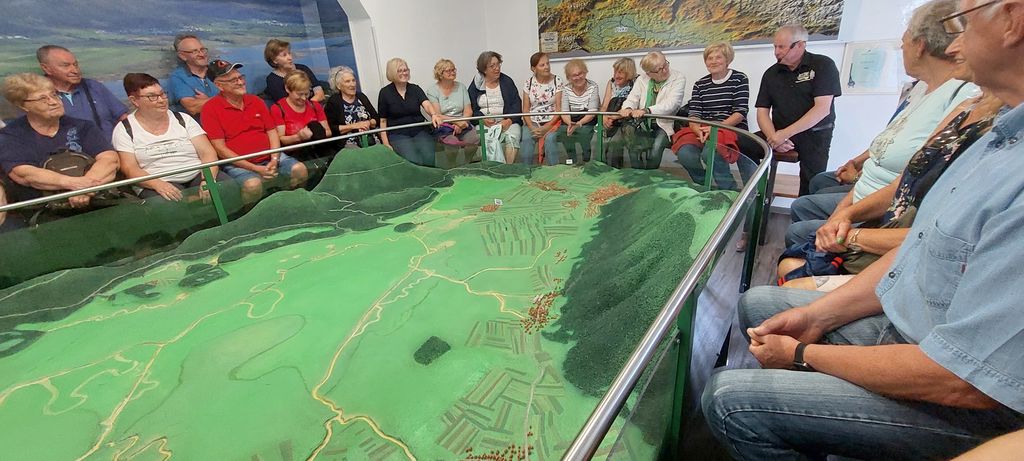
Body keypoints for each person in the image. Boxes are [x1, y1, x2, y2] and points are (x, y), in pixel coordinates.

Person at [701, 1, 1024, 457]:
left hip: (959, 393)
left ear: (1013, 19)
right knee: (758, 304)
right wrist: (817, 316)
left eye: (965, 22)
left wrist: (802, 354)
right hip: (909, 322)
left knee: (729, 401)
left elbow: (964, 379)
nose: (953, 46)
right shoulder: (996, 135)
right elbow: (914, 253)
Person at [785, 0, 976, 247]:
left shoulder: (962, 97)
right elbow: (890, 139)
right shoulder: (918, 88)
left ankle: (807, 257)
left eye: (904, 42)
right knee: (819, 183)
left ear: (920, 46)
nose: (900, 47)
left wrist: (849, 200)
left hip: (886, 205)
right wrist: (856, 163)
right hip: (868, 183)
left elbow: (910, 180)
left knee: (801, 215)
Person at [0, 73, 119, 220]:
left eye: (54, 95)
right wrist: (74, 185)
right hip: (45, 211)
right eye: (43, 99)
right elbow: (24, 174)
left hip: (97, 200)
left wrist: (85, 188)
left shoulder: (83, 126)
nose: (53, 102)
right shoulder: (11, 136)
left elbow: (109, 160)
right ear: (23, 105)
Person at [200, 60, 307, 204]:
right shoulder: (210, 109)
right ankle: (252, 215)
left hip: (271, 157)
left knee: (300, 169)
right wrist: (254, 168)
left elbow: (272, 132)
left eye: (240, 77)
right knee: (252, 185)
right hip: (238, 164)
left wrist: (274, 159)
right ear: (219, 85)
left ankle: (297, 204)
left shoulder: (255, 101)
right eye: (233, 80)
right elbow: (220, 148)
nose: (240, 82)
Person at [754, 24, 842, 195]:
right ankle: (753, 194)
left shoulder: (823, 65)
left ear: (800, 45)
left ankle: (803, 210)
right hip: (778, 132)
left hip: (814, 134)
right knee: (743, 143)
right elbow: (762, 111)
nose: (777, 52)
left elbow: (822, 109)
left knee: (812, 184)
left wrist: (784, 135)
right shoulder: (771, 73)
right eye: (775, 47)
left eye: (782, 47)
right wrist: (774, 137)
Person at [112, 73, 223, 202]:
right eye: (152, 97)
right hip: (157, 181)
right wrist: (158, 184)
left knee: (225, 188)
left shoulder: (183, 119)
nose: (161, 100)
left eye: (162, 94)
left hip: (197, 174)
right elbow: (130, 168)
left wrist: (207, 179)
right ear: (134, 100)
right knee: (168, 203)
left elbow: (207, 152)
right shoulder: (124, 129)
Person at [673, 42, 752, 190]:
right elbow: (694, 114)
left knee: (709, 153)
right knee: (685, 153)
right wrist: (697, 130)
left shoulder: (740, 78)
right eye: (710, 58)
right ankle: (704, 186)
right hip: (703, 129)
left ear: (727, 59)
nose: (713, 61)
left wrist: (715, 128)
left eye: (718, 57)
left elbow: (740, 113)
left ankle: (728, 190)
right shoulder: (700, 84)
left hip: (730, 128)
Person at [36, 45, 127, 137]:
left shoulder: (93, 87)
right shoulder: (36, 96)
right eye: (66, 66)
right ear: (46, 68)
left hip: (108, 144)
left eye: (75, 65)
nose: (75, 71)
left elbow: (123, 117)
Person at [618, 51, 686, 169]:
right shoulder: (642, 79)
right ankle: (638, 172)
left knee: (656, 149)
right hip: (642, 123)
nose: (665, 70)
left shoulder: (678, 78)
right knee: (631, 144)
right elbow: (632, 98)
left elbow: (672, 104)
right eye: (660, 69)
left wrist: (647, 110)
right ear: (649, 73)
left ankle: (650, 174)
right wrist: (628, 108)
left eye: (665, 64)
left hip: (664, 124)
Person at [377, 58, 444, 167]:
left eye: (406, 70)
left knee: (429, 156)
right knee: (413, 160)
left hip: (419, 130)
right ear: (392, 73)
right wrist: (386, 143)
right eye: (400, 71)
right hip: (398, 133)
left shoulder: (415, 89)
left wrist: (434, 114)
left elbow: (426, 104)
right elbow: (383, 121)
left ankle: (431, 177)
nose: (404, 73)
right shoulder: (385, 93)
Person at [468, 51, 523, 164]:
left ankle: (508, 168)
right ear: (484, 69)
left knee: (513, 137)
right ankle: (494, 169)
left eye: (498, 64)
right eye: (492, 66)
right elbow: (471, 108)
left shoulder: (507, 81)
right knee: (488, 140)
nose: (497, 68)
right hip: (484, 123)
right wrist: (482, 119)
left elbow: (516, 104)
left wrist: (509, 120)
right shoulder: (476, 84)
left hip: (508, 121)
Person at [425, 59, 479, 167]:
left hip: (463, 123)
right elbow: (437, 114)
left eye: (453, 69)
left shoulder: (461, 87)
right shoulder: (433, 90)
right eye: (448, 70)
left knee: (474, 139)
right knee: (452, 143)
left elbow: (468, 110)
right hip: (444, 126)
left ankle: (467, 164)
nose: (452, 72)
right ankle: (452, 166)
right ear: (440, 74)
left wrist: (462, 123)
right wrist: (456, 122)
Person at [270, 70, 331, 161]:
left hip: (318, 150)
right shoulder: (278, 109)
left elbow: (328, 132)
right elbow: (280, 139)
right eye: (299, 94)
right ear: (287, 89)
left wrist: (315, 132)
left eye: (306, 94)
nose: (303, 98)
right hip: (294, 155)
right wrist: (298, 137)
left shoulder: (315, 106)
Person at [519, 52, 562, 165]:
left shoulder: (557, 81)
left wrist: (547, 127)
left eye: (547, 63)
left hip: (552, 122)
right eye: (542, 65)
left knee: (550, 139)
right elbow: (525, 109)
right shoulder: (528, 83)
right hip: (532, 122)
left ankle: (554, 171)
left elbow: (559, 109)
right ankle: (526, 171)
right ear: (534, 68)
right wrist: (531, 127)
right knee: (527, 139)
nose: (546, 67)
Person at [323, 66, 379, 149]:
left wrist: (368, 123)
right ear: (339, 86)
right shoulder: (334, 101)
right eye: (347, 81)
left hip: (371, 139)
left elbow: (376, 119)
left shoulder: (361, 96)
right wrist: (355, 126)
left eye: (353, 80)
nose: (352, 84)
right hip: (349, 143)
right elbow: (333, 129)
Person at [558, 59, 600, 164]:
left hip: (587, 118)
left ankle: (586, 161)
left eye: (580, 73)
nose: (578, 77)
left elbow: (592, 112)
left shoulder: (593, 86)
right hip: (570, 118)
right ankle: (571, 161)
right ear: (569, 78)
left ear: (585, 72)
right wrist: (570, 123)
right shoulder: (566, 89)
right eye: (574, 75)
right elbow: (564, 111)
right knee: (564, 132)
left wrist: (578, 124)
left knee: (584, 133)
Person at [167, 34, 218, 118]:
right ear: (182, 56)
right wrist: (226, 99)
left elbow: (240, 98)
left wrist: (207, 101)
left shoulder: (219, 71)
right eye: (195, 51)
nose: (202, 54)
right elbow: (193, 107)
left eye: (202, 50)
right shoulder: (178, 78)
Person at [600, 57, 637, 167]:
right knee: (596, 142)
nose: (616, 75)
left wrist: (613, 117)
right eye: (615, 71)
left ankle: (615, 171)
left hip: (625, 122)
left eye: (620, 72)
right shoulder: (611, 83)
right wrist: (604, 117)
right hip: (609, 119)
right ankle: (599, 169)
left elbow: (634, 107)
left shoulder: (636, 83)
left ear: (629, 73)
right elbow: (604, 106)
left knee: (615, 144)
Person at [263, 39, 325, 104]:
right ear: (274, 60)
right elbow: (287, 105)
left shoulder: (303, 69)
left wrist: (309, 107)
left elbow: (320, 94)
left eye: (289, 53)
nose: (290, 58)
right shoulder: (273, 80)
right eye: (284, 55)